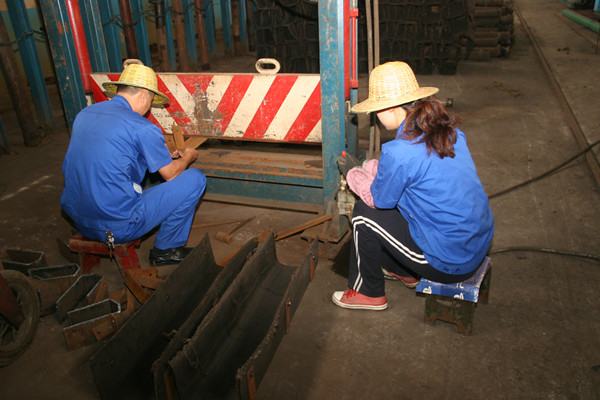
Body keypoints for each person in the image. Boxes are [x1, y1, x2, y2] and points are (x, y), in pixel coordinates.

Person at [332, 61, 494, 311]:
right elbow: (417, 170)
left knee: (364, 215)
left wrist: (355, 174)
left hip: (449, 261)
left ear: (391, 108)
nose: (375, 117)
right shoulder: (448, 132)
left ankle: (368, 293)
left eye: (377, 110)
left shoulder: (399, 152)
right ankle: (404, 271)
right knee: (399, 200)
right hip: (474, 243)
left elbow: (377, 199)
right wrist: (373, 167)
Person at [60, 59, 206, 266]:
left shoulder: (85, 114)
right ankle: (167, 250)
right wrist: (189, 156)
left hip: (79, 219)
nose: (149, 108)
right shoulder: (142, 127)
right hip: (118, 226)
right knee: (195, 179)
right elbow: (171, 174)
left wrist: (158, 153)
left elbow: (110, 152)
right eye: (151, 101)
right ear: (145, 94)